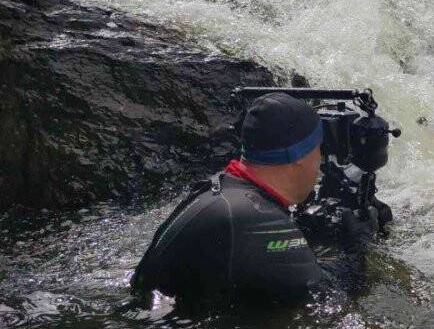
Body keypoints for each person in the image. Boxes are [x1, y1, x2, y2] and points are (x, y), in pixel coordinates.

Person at [131, 93, 374, 308]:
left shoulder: (226, 191)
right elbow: (326, 295)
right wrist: (357, 243)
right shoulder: (254, 218)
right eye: (318, 149)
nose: (320, 161)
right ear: (299, 157)